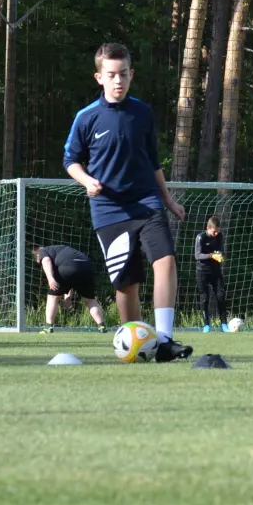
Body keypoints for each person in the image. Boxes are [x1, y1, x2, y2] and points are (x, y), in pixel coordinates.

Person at [63, 42, 192, 362]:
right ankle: (135, 345)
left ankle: (164, 340)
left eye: (123, 74)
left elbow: (153, 162)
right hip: (109, 210)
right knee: (126, 284)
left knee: (165, 260)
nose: (118, 80)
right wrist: (86, 181)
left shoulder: (143, 113)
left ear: (131, 74)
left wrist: (168, 200)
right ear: (99, 78)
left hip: (147, 202)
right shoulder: (86, 117)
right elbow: (70, 161)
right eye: (111, 75)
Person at [34, 244, 109, 333]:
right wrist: (68, 297)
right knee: (90, 300)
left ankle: (48, 327)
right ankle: (101, 326)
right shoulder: (62, 249)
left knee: (53, 297)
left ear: (37, 253)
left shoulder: (43, 251)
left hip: (69, 267)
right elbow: (70, 276)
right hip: (86, 267)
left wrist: (50, 278)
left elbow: (46, 260)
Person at [193, 217, 227, 332]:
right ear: (208, 228)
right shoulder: (200, 237)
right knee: (205, 298)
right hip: (202, 271)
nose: (216, 233)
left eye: (218, 231)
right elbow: (197, 256)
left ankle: (224, 324)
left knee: (221, 296)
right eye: (214, 231)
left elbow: (221, 250)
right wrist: (212, 256)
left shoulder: (220, 236)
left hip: (215, 271)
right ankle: (206, 325)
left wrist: (220, 256)